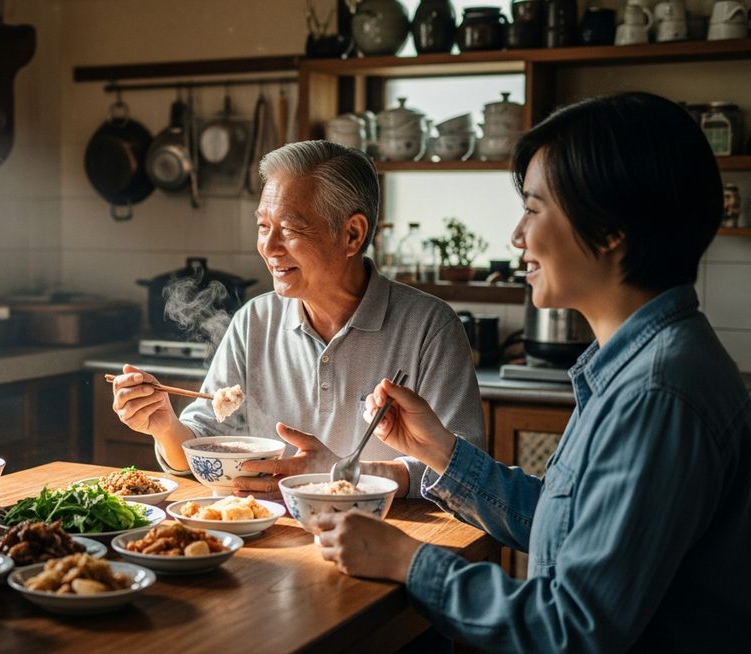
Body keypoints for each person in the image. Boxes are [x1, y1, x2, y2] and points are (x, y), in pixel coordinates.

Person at [317, 93, 751, 651]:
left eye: (534, 207)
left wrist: (409, 560)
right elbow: (565, 526)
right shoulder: (634, 366)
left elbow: (571, 630)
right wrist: (441, 452)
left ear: (611, 226)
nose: (517, 237)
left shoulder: (658, 393)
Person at [109, 140, 484, 499]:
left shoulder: (430, 328)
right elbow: (202, 447)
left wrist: (338, 474)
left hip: (388, 540)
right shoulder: (254, 320)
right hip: (271, 537)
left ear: (352, 235)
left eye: (288, 229)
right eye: (262, 226)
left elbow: (465, 473)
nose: (268, 248)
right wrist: (165, 427)